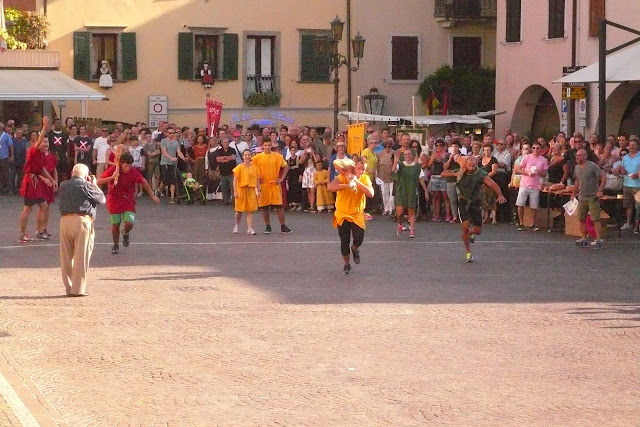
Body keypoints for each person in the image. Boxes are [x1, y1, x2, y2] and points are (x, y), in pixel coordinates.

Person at [442, 156, 506, 263]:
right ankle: (468, 253)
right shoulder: (461, 171)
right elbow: (443, 173)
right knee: (465, 226)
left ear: (477, 165)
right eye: (469, 166)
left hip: (475, 202)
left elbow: (492, 184)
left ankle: (471, 233)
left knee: (478, 231)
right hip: (463, 201)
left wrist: (500, 195)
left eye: (473, 166)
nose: (471, 168)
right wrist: (455, 174)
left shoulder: (480, 173)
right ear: (465, 165)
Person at [57, 163, 106, 297]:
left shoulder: (63, 185)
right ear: (85, 175)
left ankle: (68, 287)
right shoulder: (87, 185)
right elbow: (102, 199)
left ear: (72, 173)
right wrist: (94, 184)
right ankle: (77, 289)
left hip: (65, 220)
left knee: (66, 256)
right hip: (82, 220)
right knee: (81, 256)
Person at [98, 152, 160, 254]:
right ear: (121, 164)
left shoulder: (133, 171)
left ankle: (125, 232)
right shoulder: (113, 170)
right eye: (126, 166)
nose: (128, 168)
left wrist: (152, 195)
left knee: (129, 223)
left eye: (130, 166)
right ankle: (115, 245)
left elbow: (143, 181)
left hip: (128, 199)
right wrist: (112, 177)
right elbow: (99, 181)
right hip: (114, 199)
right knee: (115, 225)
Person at [328, 157, 374, 274]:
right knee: (344, 241)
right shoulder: (343, 176)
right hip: (342, 213)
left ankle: (355, 248)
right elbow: (330, 187)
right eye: (359, 168)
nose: (361, 171)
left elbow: (371, 193)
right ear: (354, 167)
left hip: (357, 213)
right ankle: (347, 264)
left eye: (363, 169)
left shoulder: (364, 179)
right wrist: (347, 185)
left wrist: (356, 181)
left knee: (359, 238)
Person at [19, 117, 57, 243]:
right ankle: (22, 234)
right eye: (43, 142)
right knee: (27, 208)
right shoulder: (33, 151)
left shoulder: (41, 154)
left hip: (37, 183)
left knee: (44, 205)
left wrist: (51, 179)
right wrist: (44, 128)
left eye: (47, 142)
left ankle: (40, 231)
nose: (45, 144)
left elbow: (42, 169)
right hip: (30, 181)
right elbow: (39, 139)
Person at [252, 139, 292, 234]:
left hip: (274, 184)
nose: (267, 147)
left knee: (279, 206)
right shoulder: (257, 158)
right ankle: (268, 226)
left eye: (269, 145)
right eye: (265, 145)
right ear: (262, 146)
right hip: (263, 185)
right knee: (265, 207)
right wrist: (257, 179)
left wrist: (281, 178)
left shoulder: (277, 156)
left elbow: (286, 166)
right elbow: (252, 169)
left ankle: (283, 226)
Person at [572, 149, 607, 249]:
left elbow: (603, 177)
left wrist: (600, 190)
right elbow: (577, 181)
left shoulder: (592, 166)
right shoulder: (577, 167)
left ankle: (598, 240)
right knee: (581, 218)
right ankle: (584, 238)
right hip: (582, 196)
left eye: (579, 155)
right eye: (576, 155)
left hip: (593, 197)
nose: (577, 157)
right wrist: (574, 193)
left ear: (585, 156)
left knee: (595, 219)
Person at [514, 141, 549, 231]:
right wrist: (527, 172)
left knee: (534, 205)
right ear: (531, 149)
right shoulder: (526, 157)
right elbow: (518, 169)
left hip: (535, 185)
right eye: (534, 148)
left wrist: (539, 172)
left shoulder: (543, 160)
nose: (535, 150)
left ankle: (532, 223)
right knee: (520, 204)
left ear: (540, 149)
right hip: (524, 183)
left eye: (537, 148)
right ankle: (521, 222)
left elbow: (545, 174)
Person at [393, 149, 428, 238]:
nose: (407, 156)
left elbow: (421, 179)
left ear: (412, 155)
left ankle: (412, 230)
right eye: (405, 154)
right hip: (401, 190)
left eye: (409, 154)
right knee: (400, 212)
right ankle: (400, 224)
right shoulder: (400, 165)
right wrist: (395, 160)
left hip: (411, 190)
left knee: (411, 211)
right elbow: (393, 169)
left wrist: (425, 190)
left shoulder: (417, 167)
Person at [232, 150, 260, 235]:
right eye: (245, 155)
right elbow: (235, 180)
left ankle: (249, 228)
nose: (247, 156)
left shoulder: (255, 168)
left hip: (251, 190)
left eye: (248, 155)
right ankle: (236, 225)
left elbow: (257, 180)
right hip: (241, 190)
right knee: (239, 211)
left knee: (250, 210)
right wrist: (235, 191)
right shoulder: (239, 167)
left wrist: (259, 190)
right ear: (243, 157)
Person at [159, 127, 187, 203]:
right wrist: (171, 158)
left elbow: (179, 151)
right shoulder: (163, 141)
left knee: (173, 180)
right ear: (167, 133)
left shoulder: (175, 142)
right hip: (165, 162)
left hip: (173, 163)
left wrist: (183, 158)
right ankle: (159, 190)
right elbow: (164, 152)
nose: (171, 134)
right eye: (170, 133)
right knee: (165, 179)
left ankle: (172, 197)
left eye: (172, 133)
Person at [620, 136, 640, 231]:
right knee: (628, 205)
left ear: (637, 146)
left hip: (637, 185)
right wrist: (622, 171)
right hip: (627, 183)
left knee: (638, 206)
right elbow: (622, 168)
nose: (631, 147)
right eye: (630, 145)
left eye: (634, 145)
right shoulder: (625, 157)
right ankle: (628, 223)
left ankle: (636, 226)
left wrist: (637, 174)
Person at [480, 144, 499, 224]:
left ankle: (494, 218)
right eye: (485, 150)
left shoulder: (494, 160)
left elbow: (493, 171)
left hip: (491, 182)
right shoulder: (481, 160)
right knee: (484, 200)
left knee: (492, 199)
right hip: (482, 183)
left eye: (488, 150)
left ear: (491, 151)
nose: (486, 152)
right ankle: (486, 217)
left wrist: (486, 178)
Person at [214, 137, 237, 205]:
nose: (226, 144)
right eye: (224, 142)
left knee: (233, 187)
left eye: (227, 142)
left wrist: (223, 158)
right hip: (222, 172)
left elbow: (233, 157)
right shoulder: (219, 151)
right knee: (224, 187)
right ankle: (225, 200)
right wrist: (227, 158)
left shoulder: (232, 150)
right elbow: (217, 159)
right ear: (222, 143)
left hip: (231, 171)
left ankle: (234, 201)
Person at [376, 138, 395, 216]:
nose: (387, 148)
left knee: (392, 195)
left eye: (389, 146)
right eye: (386, 146)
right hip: (382, 176)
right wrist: (376, 175)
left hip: (392, 176)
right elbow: (377, 165)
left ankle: (391, 209)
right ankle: (386, 208)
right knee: (384, 193)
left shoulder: (394, 153)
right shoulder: (379, 154)